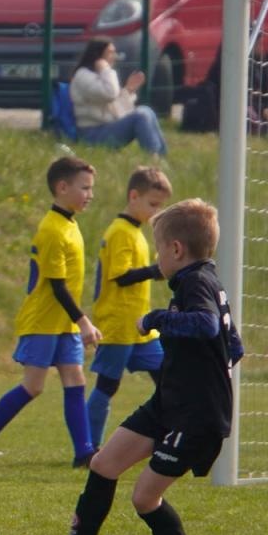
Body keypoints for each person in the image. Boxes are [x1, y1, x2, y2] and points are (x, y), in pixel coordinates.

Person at [22, 198, 244, 535]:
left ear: (176, 249)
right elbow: (234, 345)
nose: (157, 257)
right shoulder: (203, 281)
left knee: (144, 497)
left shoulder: (196, 283)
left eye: (159, 249)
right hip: (170, 403)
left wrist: (156, 318)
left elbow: (207, 326)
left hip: (196, 415)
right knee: (103, 464)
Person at [0, 156, 102, 468]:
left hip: (62, 322)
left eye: (91, 188)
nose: (90, 194)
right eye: (84, 188)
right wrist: (83, 321)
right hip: (43, 321)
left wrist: (76, 321)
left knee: (75, 380)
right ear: (62, 187)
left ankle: (84, 453)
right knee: (33, 386)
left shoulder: (70, 224)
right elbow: (56, 286)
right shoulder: (52, 229)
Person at [86, 167, 172, 448]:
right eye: (153, 204)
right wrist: (155, 271)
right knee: (107, 386)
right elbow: (121, 276)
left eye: (160, 205)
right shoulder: (120, 232)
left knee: (168, 378)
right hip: (118, 325)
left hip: (140, 327)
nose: (156, 211)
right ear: (134, 196)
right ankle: (88, 447)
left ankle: (168, 437)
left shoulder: (135, 231)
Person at [70, 39, 168, 156]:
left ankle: (160, 156)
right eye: (110, 52)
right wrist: (105, 69)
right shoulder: (83, 76)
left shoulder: (101, 75)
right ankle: (153, 157)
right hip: (92, 134)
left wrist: (128, 91)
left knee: (147, 110)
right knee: (141, 116)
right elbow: (110, 93)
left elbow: (115, 110)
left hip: (106, 127)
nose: (115, 57)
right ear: (98, 55)